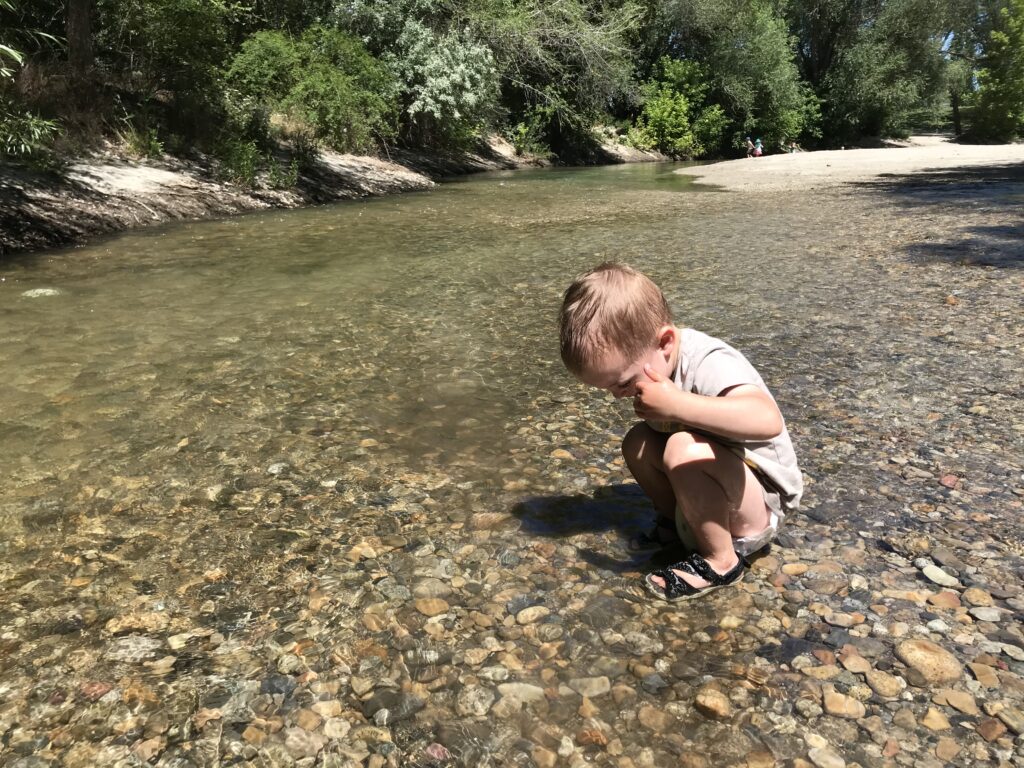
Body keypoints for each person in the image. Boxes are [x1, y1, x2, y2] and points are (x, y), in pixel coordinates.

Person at [558, 263, 803, 602]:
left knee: (682, 448)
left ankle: (721, 561)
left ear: (665, 342)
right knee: (638, 443)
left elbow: (767, 419)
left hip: (762, 502)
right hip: (723, 483)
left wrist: (677, 405)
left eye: (623, 383)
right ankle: (676, 526)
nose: (617, 395)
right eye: (608, 389)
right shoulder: (655, 361)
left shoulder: (709, 361)